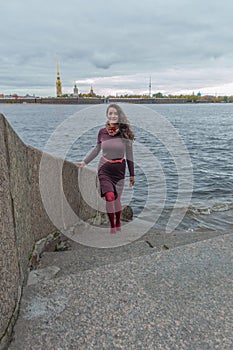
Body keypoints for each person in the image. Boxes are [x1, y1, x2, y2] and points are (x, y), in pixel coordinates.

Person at [75, 104, 135, 233]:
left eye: (115, 114)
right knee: (109, 197)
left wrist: (132, 175)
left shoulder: (125, 134)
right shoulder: (102, 132)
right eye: (110, 113)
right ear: (107, 115)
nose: (112, 116)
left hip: (119, 170)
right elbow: (97, 149)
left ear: (119, 116)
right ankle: (112, 226)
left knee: (117, 198)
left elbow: (130, 156)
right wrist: (84, 162)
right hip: (104, 168)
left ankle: (118, 222)